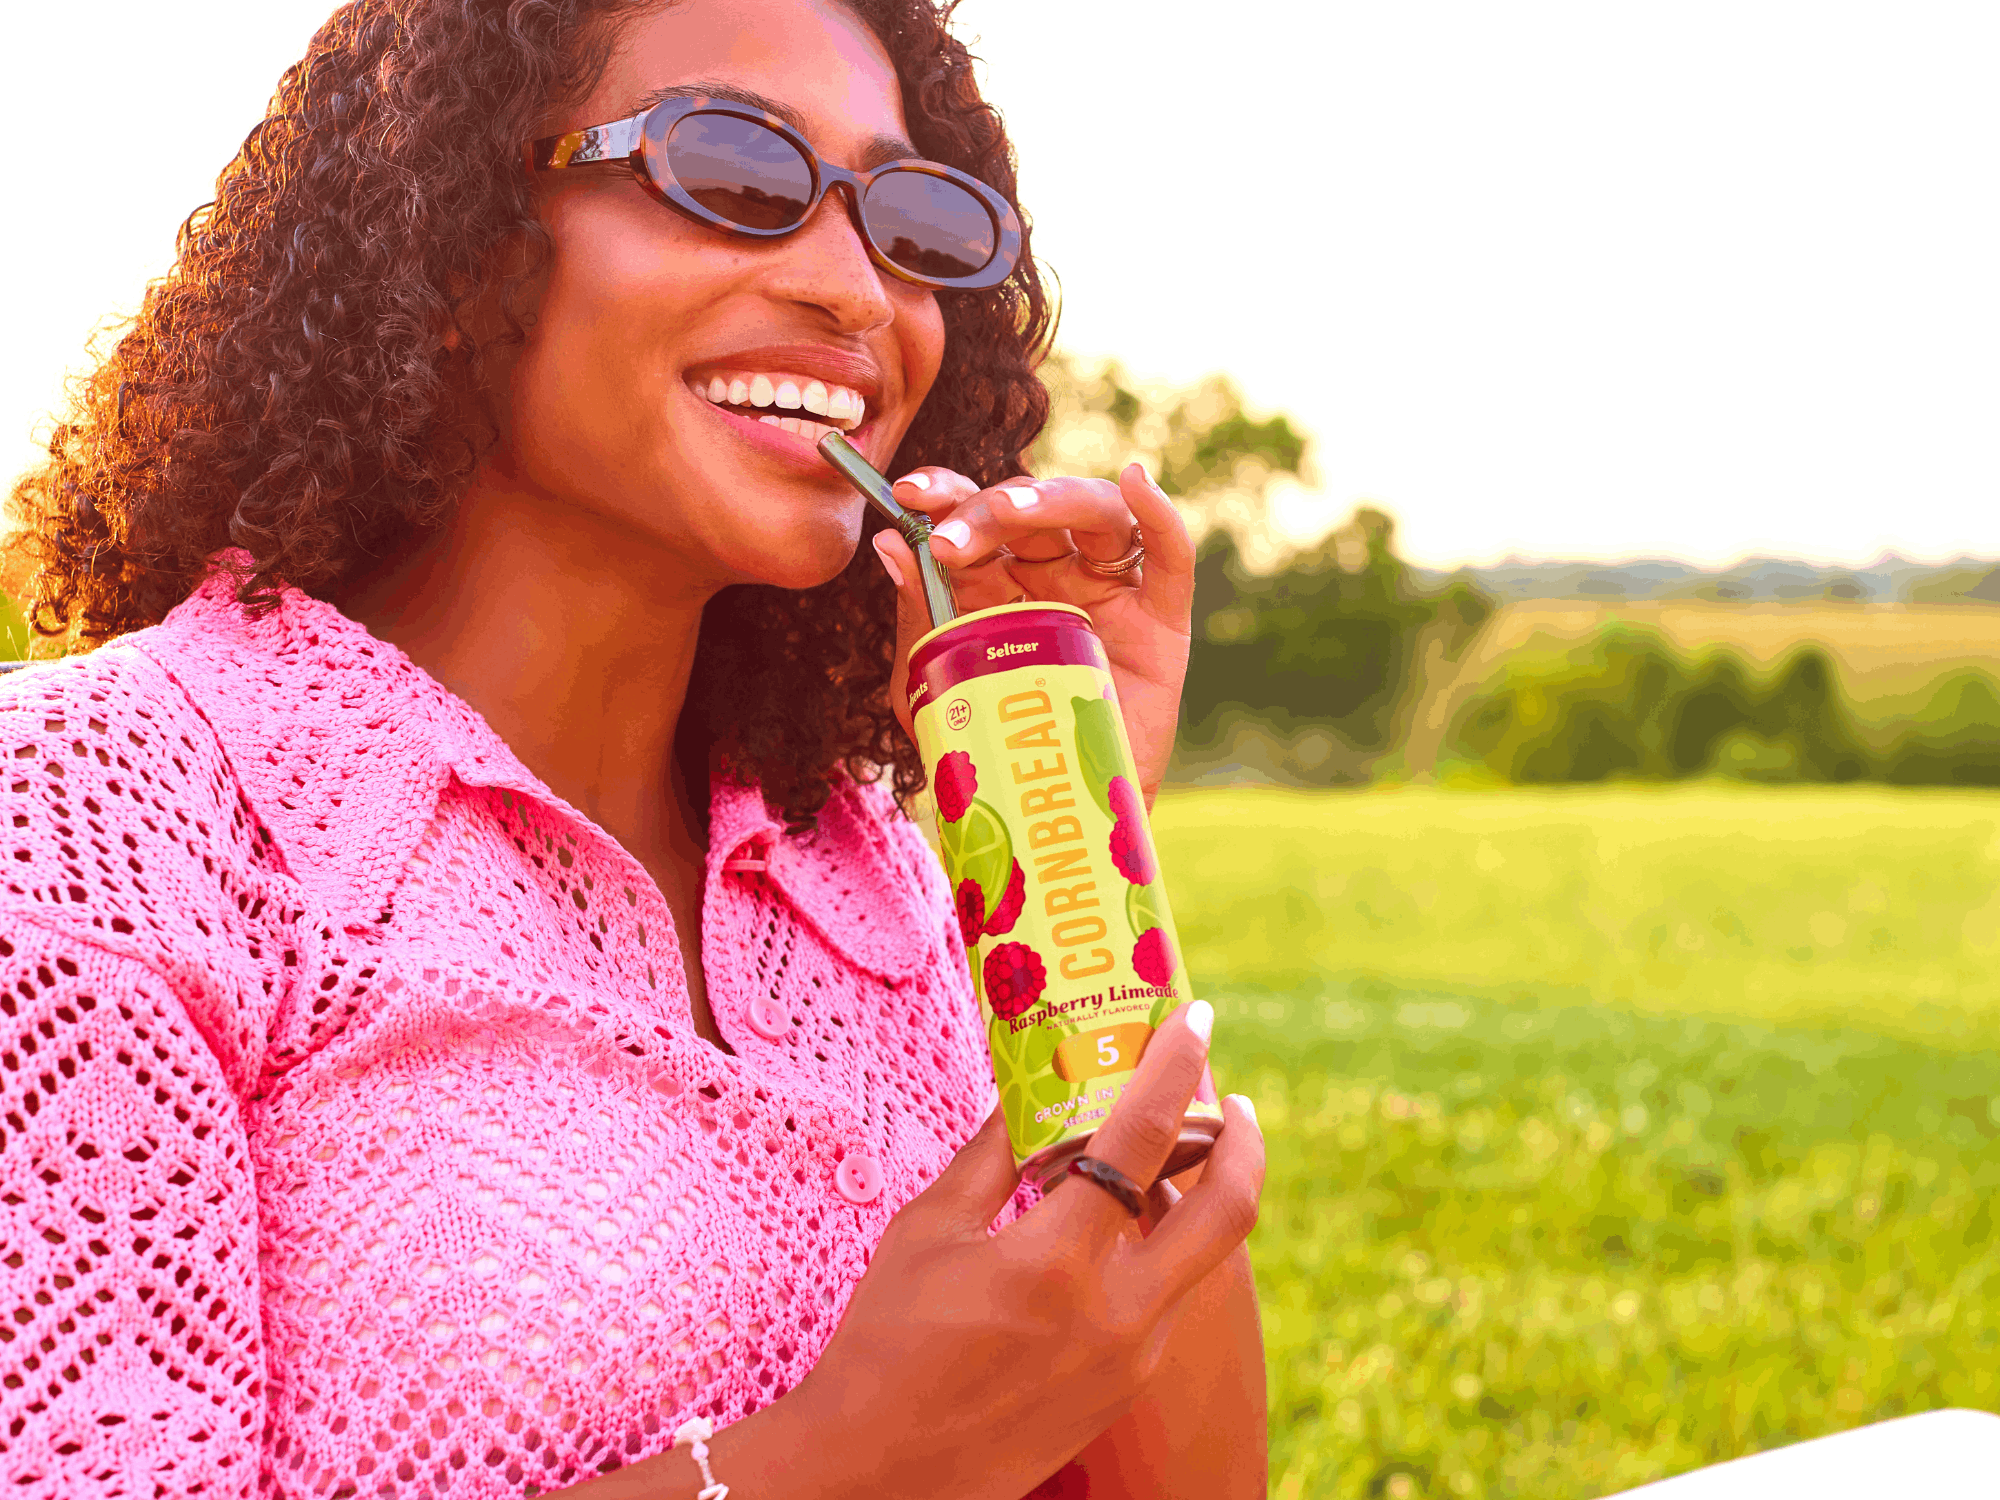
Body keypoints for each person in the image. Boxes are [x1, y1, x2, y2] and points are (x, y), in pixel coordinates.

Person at [0, 0, 1267, 1496]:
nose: (856, 287)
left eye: (915, 220)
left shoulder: (878, 880)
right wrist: (836, 1462)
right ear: (459, 246)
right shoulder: (94, 810)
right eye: (733, 173)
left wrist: (1068, 853)